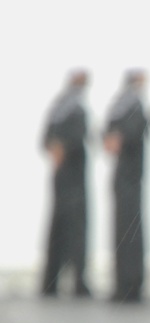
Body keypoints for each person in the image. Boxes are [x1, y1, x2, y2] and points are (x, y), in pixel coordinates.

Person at [41, 68, 92, 298]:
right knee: (76, 230)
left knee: (57, 229)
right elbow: (76, 140)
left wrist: (55, 149)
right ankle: (78, 282)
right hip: (74, 177)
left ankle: (49, 283)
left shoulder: (58, 107)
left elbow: (46, 141)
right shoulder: (77, 109)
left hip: (60, 176)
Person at [103, 68, 149, 303]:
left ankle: (125, 283)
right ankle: (131, 285)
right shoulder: (134, 104)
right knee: (131, 229)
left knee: (123, 229)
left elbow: (109, 134)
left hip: (124, 175)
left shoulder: (119, 104)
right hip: (130, 177)